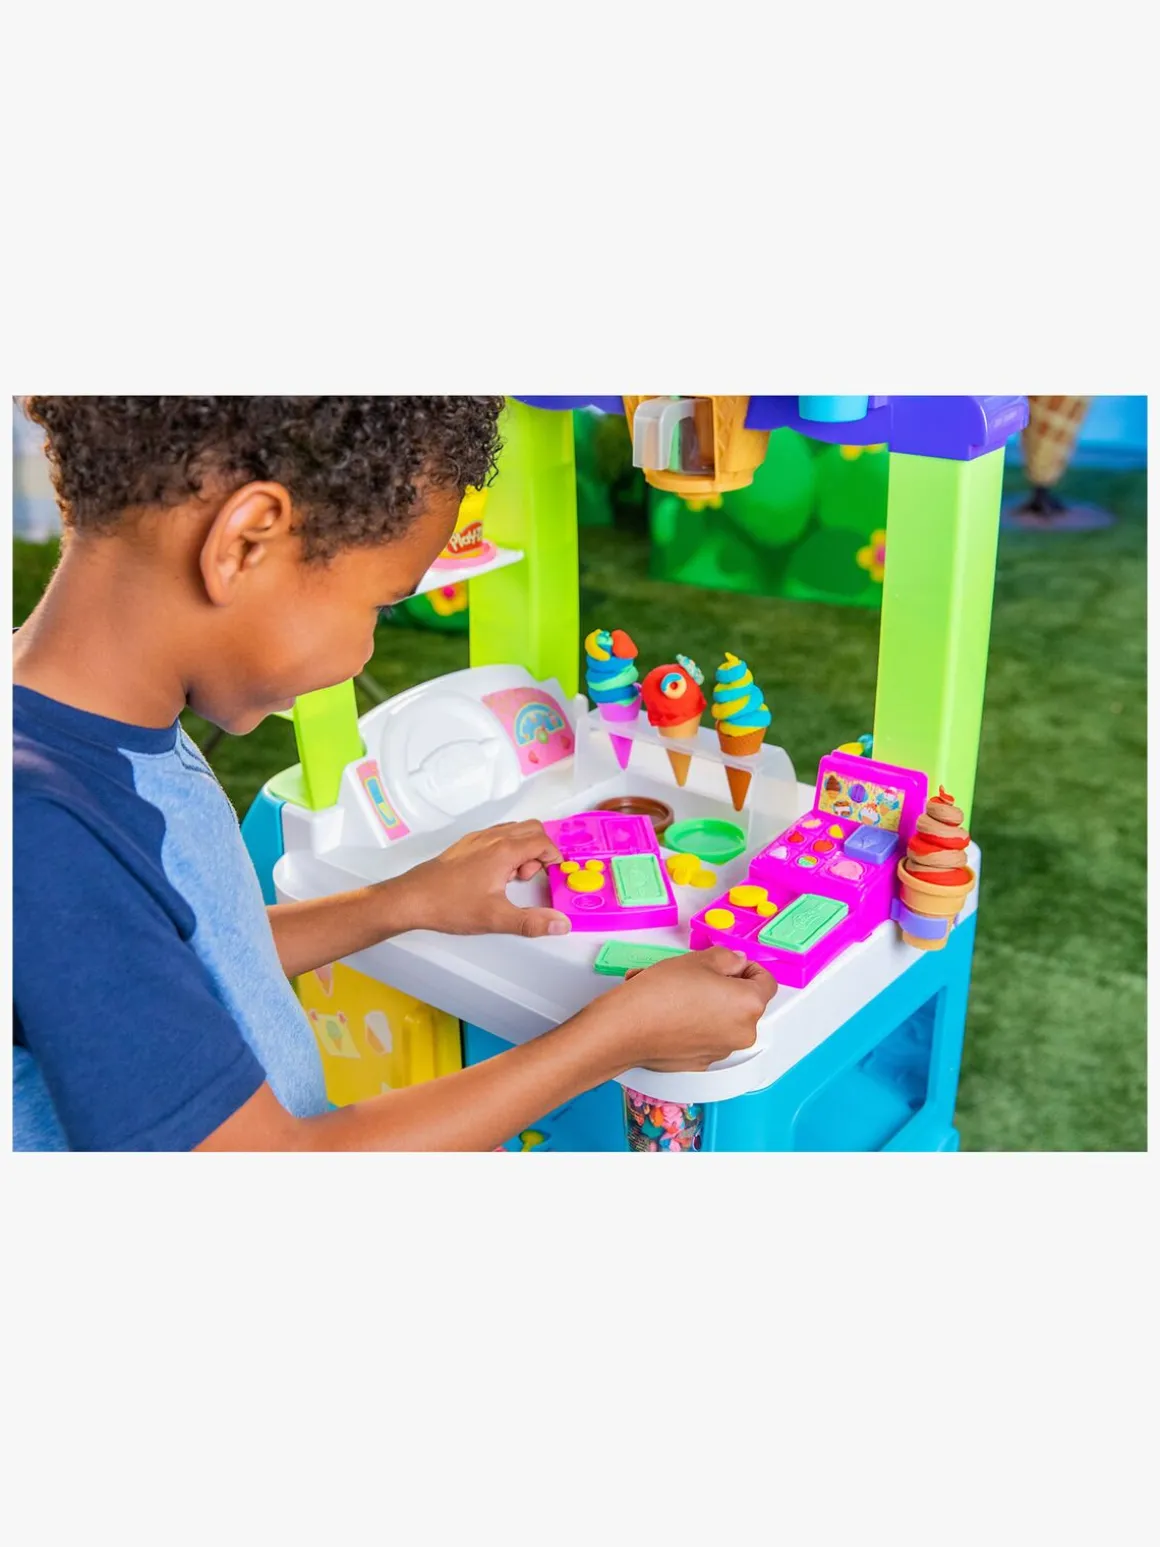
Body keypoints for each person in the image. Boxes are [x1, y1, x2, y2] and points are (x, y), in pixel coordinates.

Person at [13, 397, 775, 1152]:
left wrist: (402, 900)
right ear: (245, 542)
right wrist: (615, 1037)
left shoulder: (100, 730)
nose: (365, 654)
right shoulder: (44, 835)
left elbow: (182, 953)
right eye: (379, 606)